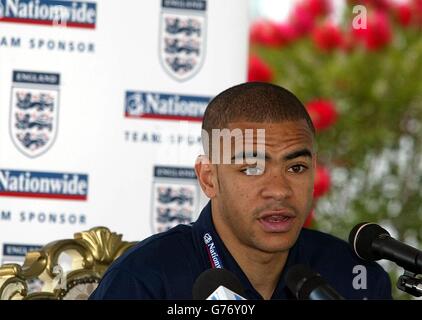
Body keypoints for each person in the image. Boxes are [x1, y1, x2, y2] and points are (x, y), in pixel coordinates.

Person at [89, 82, 392, 300]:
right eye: (251, 168)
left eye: (296, 168)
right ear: (209, 179)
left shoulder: (354, 278)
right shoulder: (145, 280)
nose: (279, 191)